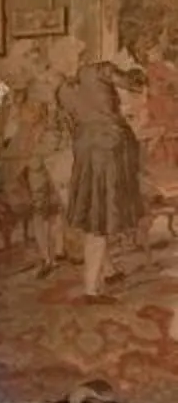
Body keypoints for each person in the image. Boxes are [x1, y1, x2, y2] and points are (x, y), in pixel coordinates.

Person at [60, 54, 144, 298]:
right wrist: (134, 71)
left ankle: (104, 272)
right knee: (101, 219)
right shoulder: (100, 69)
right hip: (109, 152)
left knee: (96, 215)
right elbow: (134, 84)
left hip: (86, 152)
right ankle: (91, 290)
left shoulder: (64, 89)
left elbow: (71, 124)